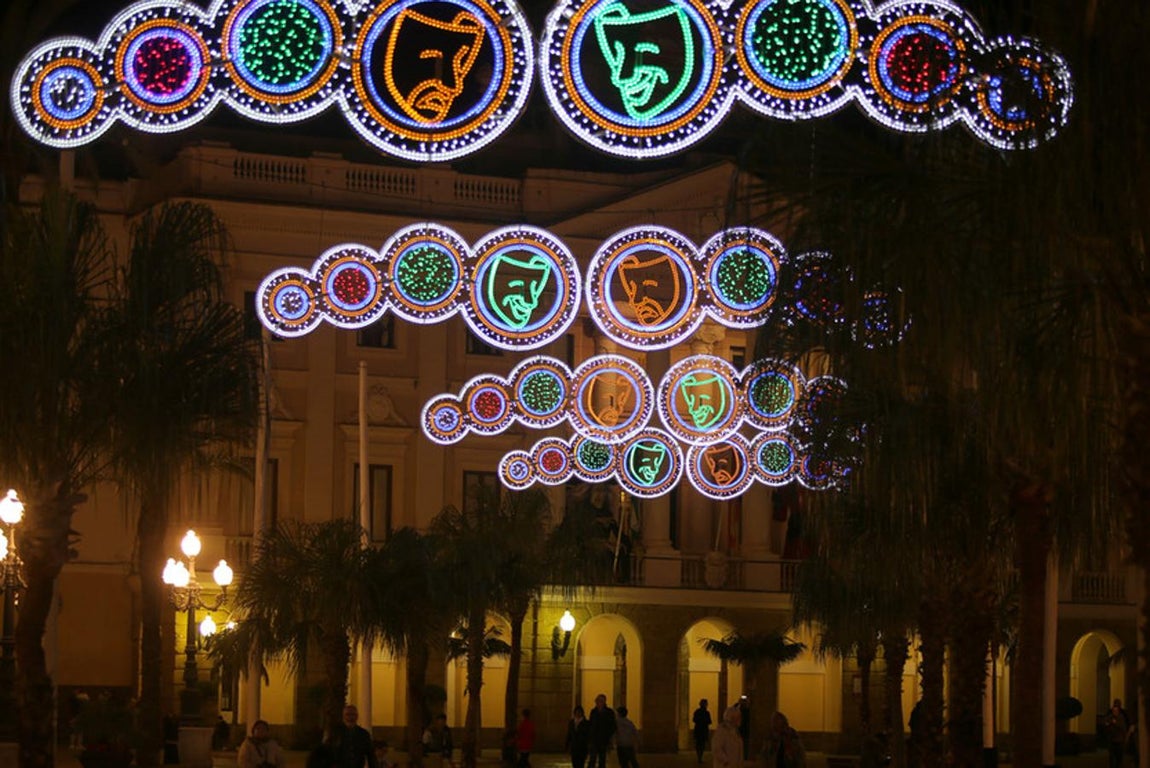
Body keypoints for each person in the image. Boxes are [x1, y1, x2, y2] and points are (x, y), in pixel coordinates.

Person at [588, 694, 617, 768]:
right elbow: (590, 724)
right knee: (592, 759)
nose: (599, 702)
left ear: (604, 702)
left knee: (602, 759)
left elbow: (613, 726)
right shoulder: (593, 712)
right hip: (594, 739)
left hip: (603, 739)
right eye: (598, 700)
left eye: (601, 701)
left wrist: (608, 736)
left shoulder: (609, 712)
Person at [1104, 699, 1132, 768]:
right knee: (1112, 758)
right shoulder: (1110, 716)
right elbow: (1106, 723)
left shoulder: (1122, 717)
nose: (1115, 712)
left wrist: (1125, 738)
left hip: (1119, 740)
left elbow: (1123, 727)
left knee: (1119, 758)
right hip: (1112, 740)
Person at [692, 699, 712, 764]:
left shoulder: (697, 712)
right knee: (702, 744)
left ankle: (699, 757)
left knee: (698, 744)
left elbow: (694, 720)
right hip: (703, 730)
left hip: (698, 729)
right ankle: (700, 757)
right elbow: (709, 721)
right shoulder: (707, 713)